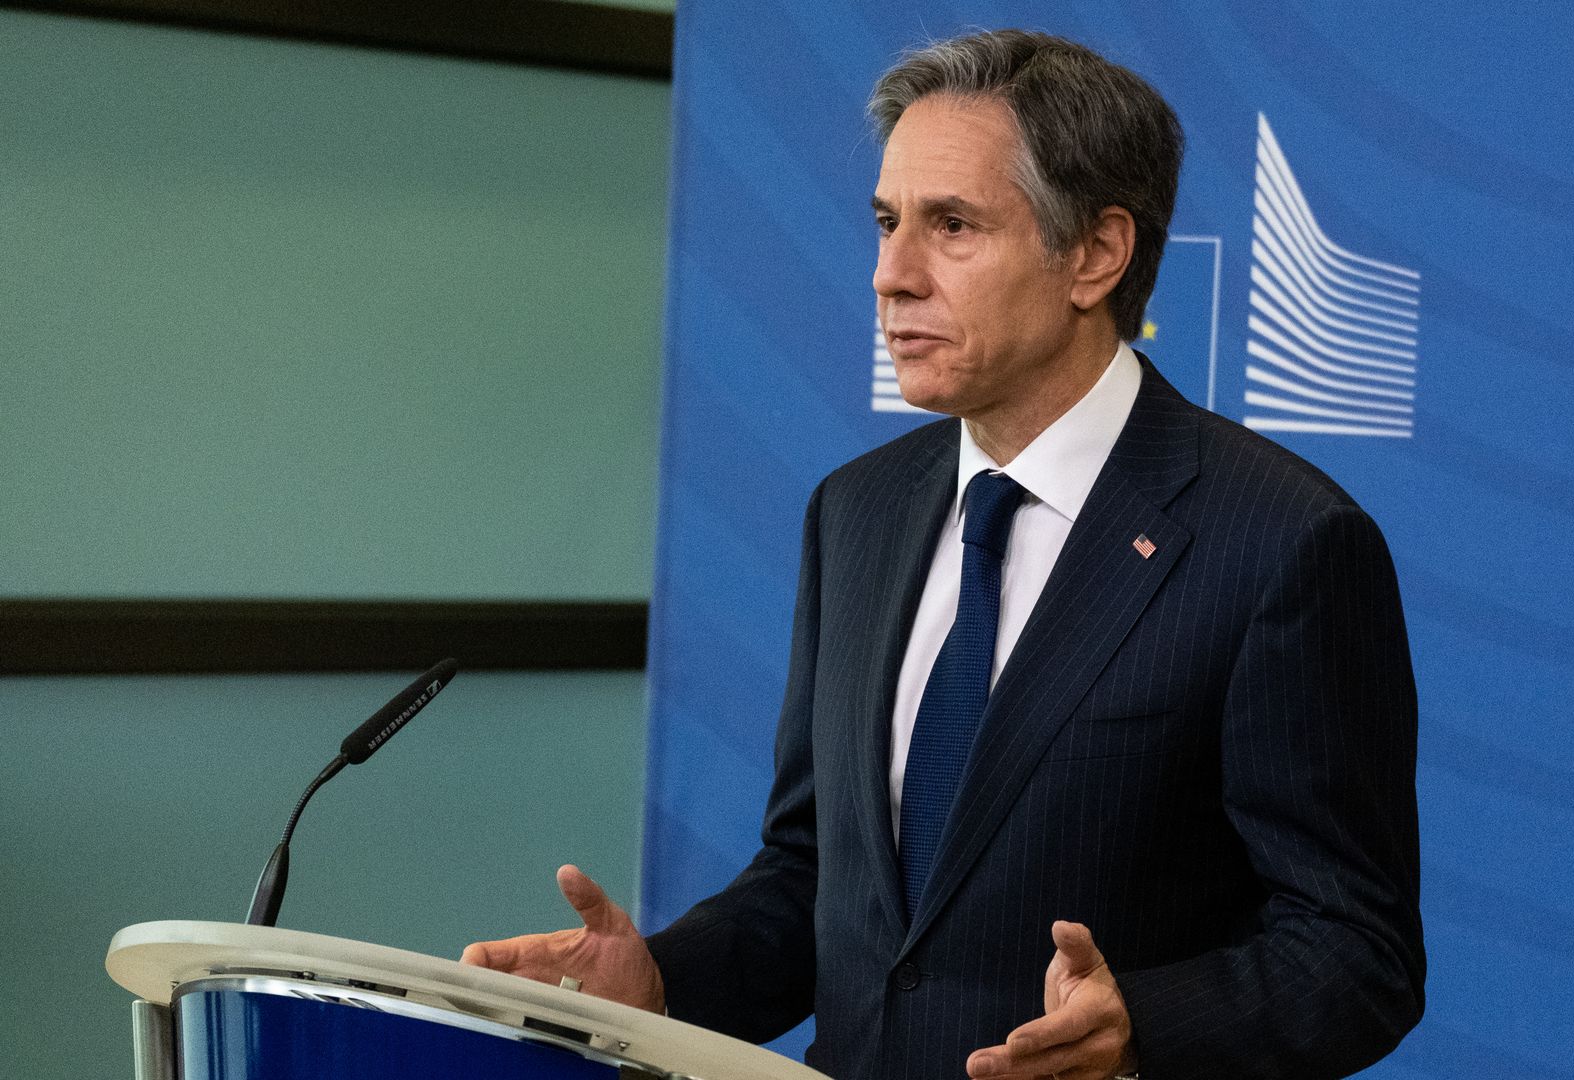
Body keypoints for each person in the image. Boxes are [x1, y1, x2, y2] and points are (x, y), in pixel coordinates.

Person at [464, 29, 1423, 1080]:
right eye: (886, 223)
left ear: (1096, 256)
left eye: (952, 226)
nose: (890, 275)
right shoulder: (857, 512)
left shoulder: (1282, 541)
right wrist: (661, 983)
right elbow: (813, 876)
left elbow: (1356, 950)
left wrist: (1139, 1026)